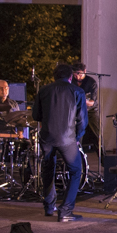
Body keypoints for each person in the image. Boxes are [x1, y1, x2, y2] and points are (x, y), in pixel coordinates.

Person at [31, 63, 88, 221]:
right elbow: (82, 120)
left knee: (48, 169)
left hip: (47, 137)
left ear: (54, 76)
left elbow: (36, 115)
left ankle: (49, 207)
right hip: (67, 138)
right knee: (75, 171)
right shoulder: (77, 91)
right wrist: (77, 138)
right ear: (70, 77)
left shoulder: (43, 90)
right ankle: (65, 210)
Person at [72, 63, 99, 150]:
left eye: (79, 74)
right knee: (77, 132)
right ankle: (77, 153)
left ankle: (102, 154)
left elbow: (92, 102)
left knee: (97, 132)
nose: (77, 76)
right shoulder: (71, 81)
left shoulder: (91, 82)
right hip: (77, 110)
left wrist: (82, 99)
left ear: (85, 71)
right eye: (75, 74)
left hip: (91, 110)